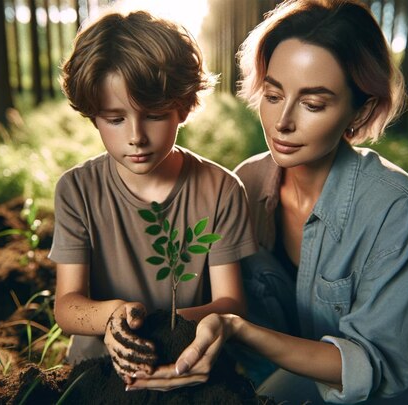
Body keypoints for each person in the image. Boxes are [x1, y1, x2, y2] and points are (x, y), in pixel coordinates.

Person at [126, 0, 408, 403]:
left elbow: (376, 365)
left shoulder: (392, 205)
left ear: (359, 112)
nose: (282, 122)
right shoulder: (246, 181)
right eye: (273, 95)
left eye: (313, 104)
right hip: (269, 372)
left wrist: (239, 330)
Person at [49, 10, 258, 383]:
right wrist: (112, 316)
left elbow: (231, 303)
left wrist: (161, 325)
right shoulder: (76, 190)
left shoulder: (221, 189)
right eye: (115, 119)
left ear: (182, 107)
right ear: (92, 115)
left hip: (189, 365)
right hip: (96, 372)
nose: (136, 137)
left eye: (155, 115)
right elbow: (67, 306)